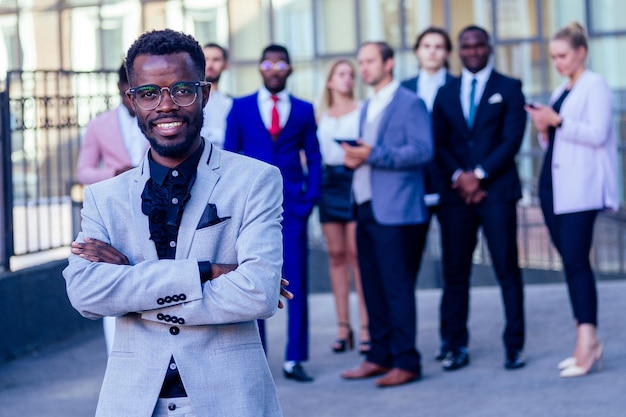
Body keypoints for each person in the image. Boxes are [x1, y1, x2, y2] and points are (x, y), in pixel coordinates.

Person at [63, 29, 286, 416]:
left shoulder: (256, 181)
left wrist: (132, 282)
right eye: (149, 93)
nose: (165, 105)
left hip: (231, 398)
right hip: (132, 401)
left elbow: (257, 294)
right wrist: (208, 271)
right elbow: (85, 294)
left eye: (181, 89)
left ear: (204, 94)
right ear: (132, 101)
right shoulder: (105, 197)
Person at [224, 44, 322, 382]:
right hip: (251, 211)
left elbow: (315, 155)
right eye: (269, 62)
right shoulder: (241, 108)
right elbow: (228, 157)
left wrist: (310, 198)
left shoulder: (305, 110)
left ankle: (295, 359)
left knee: (298, 283)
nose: (275, 68)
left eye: (281, 62)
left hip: (293, 208)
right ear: (261, 68)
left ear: (290, 69)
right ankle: (258, 357)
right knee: (256, 284)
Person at [432, 25, 527, 372]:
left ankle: (514, 347)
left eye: (478, 45)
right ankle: (454, 345)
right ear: (459, 50)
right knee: (455, 274)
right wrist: (461, 177)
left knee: (507, 270)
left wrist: (480, 175)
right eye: (466, 46)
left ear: (488, 47)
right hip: (457, 197)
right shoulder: (446, 92)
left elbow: (512, 139)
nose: (472, 51)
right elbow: (438, 143)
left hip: (497, 193)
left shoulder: (510, 87)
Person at [526, 22, 618, 378]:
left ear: (581, 51)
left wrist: (558, 120)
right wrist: (545, 129)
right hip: (553, 185)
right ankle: (585, 341)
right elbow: (558, 139)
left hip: (581, 189)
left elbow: (598, 134)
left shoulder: (596, 86)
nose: (558, 62)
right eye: (553, 57)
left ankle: (588, 342)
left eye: (563, 55)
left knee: (577, 262)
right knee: (570, 262)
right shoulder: (560, 88)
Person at [340, 41, 432, 388]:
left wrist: (373, 154)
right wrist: (354, 157)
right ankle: (378, 356)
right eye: (360, 62)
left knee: (396, 287)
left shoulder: (410, 103)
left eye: (369, 61)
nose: (363, 68)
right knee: (373, 287)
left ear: (389, 63)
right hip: (365, 205)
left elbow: (423, 150)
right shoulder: (367, 106)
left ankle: (407, 361)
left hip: (397, 211)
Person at [75, 62, 149, 354]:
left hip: (156, 211)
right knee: (112, 278)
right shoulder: (99, 124)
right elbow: (84, 171)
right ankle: (117, 357)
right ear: (120, 87)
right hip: (116, 213)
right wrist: (115, 174)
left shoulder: (159, 118)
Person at [400, 27, 455, 361]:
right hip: (412, 190)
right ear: (417, 51)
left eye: (439, 46)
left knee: (453, 269)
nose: (433, 51)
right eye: (426, 46)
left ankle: (451, 341)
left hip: (450, 188)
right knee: (406, 270)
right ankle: (406, 346)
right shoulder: (404, 90)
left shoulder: (458, 86)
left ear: (446, 52)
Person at [316, 59, 369, 354]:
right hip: (328, 181)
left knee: (357, 254)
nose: (348, 79)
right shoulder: (320, 116)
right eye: (342, 74)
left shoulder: (363, 110)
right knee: (336, 255)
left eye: (351, 74)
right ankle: (342, 327)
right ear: (330, 81)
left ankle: (367, 327)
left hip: (354, 180)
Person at [200, 42, 232, 148]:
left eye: (216, 59)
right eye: (206, 59)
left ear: (225, 65)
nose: (210, 65)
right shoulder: (186, 101)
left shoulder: (231, 104)